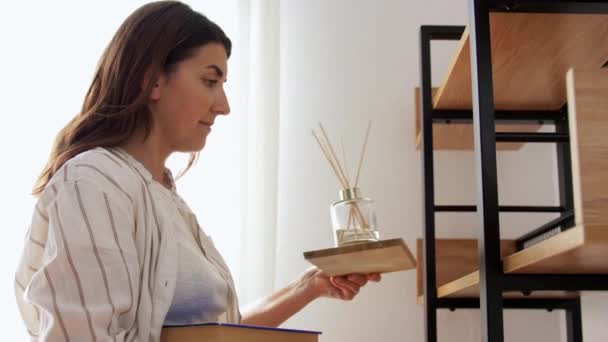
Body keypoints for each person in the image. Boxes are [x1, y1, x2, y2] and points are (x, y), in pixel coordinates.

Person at [13, 1, 380, 341]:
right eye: (210, 81)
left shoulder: (164, 199)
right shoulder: (95, 183)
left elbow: (214, 333)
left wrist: (309, 286)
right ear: (151, 79)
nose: (224, 106)